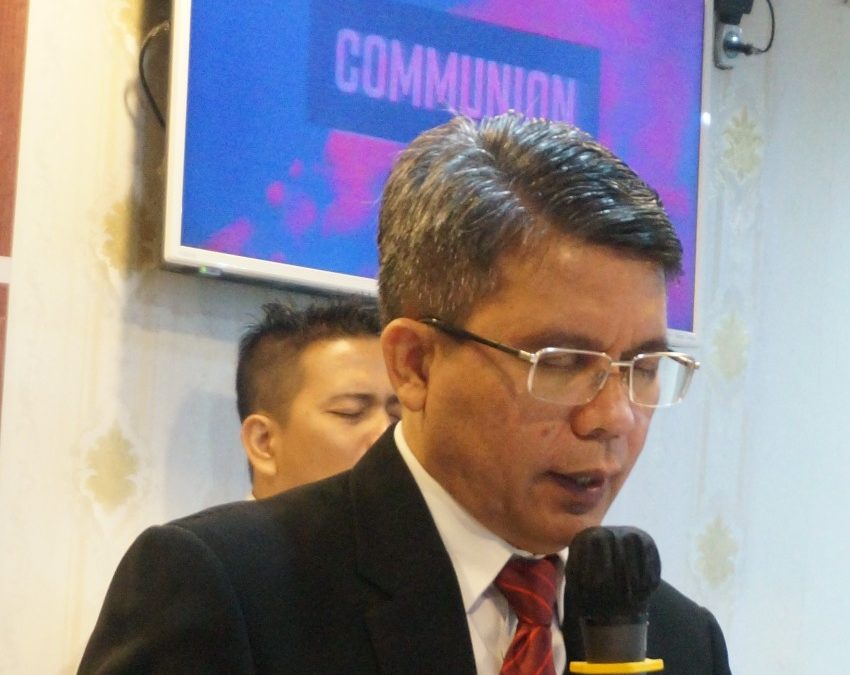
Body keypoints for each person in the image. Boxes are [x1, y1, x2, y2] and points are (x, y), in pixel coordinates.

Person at [78, 113, 731, 674]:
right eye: (561, 364)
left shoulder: (682, 640)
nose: (614, 417)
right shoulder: (227, 591)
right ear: (414, 364)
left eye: (644, 366)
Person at [235, 300, 400, 499]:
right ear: (263, 442)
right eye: (350, 412)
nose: (387, 437)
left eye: (398, 418)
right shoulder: (210, 522)